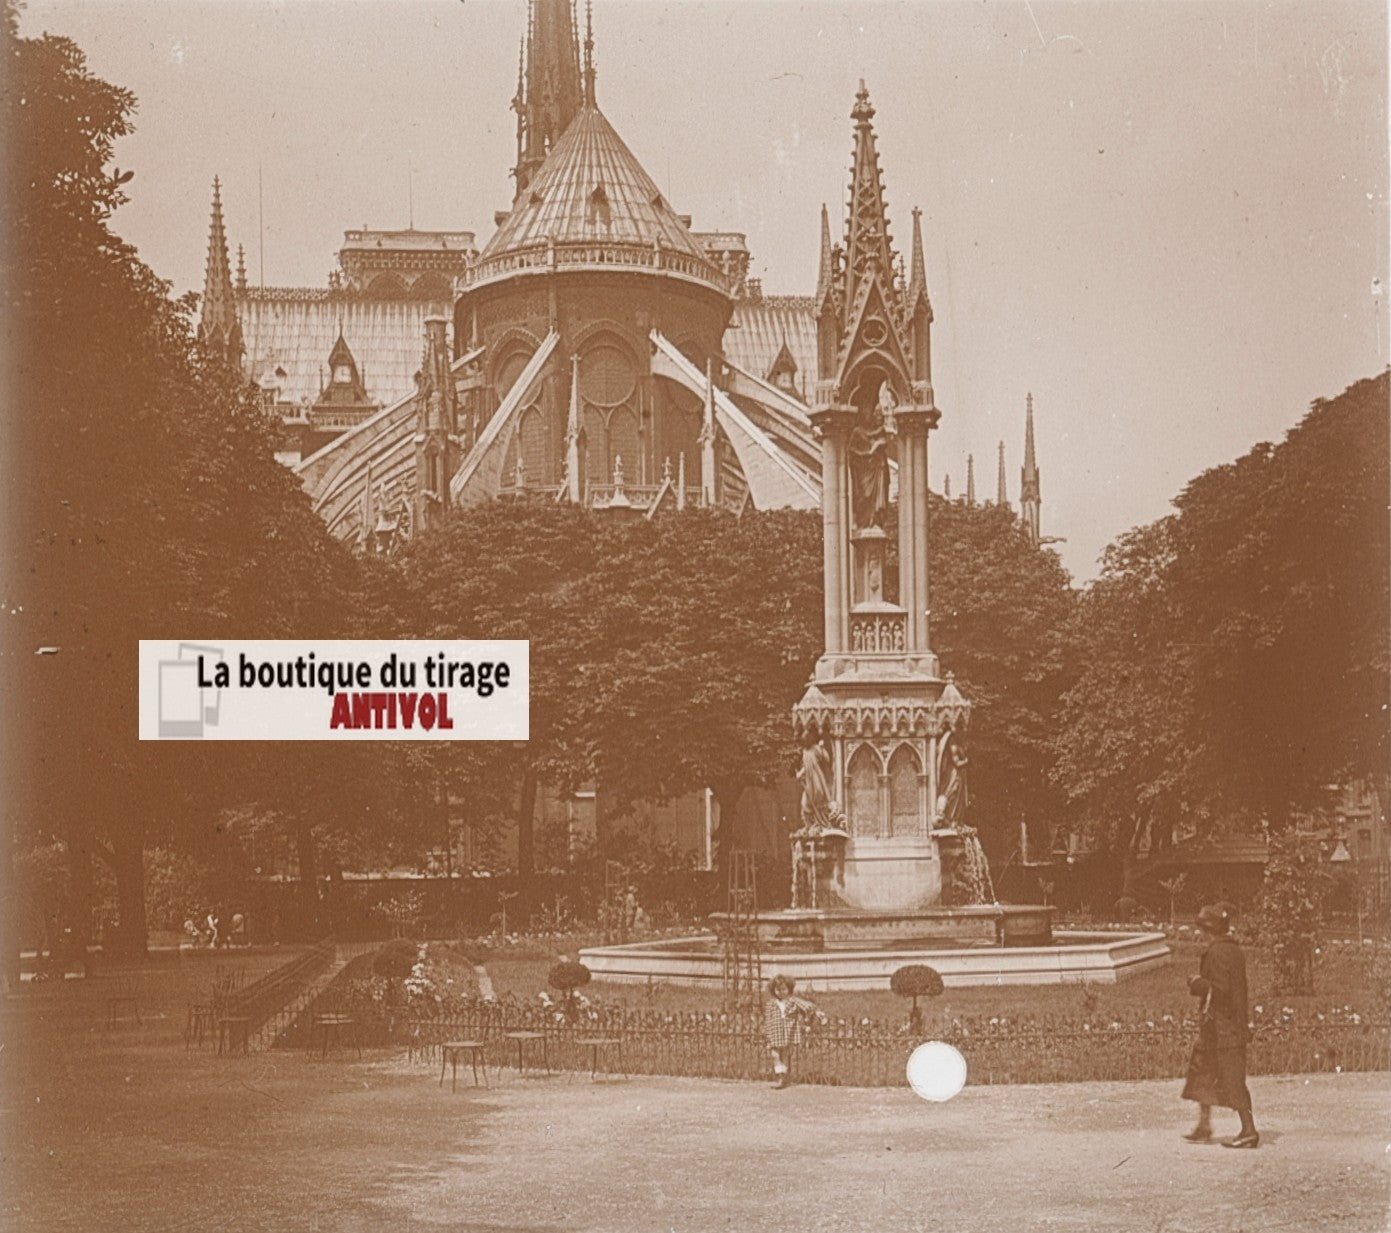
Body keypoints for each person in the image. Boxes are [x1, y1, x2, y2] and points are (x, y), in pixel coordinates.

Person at [1181, 903, 1259, 1149]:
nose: (1201, 935)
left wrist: (1196, 983)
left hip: (1221, 1027)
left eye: (1203, 930)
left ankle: (1248, 1130)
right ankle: (1204, 1126)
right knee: (1203, 1072)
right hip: (1226, 1026)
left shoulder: (1217, 953)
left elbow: (1220, 990)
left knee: (1231, 1079)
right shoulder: (1233, 950)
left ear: (1209, 930)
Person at [764, 975, 827, 1089]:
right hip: (775, 1033)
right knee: (775, 1055)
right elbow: (768, 1020)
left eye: (784, 989)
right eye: (778, 990)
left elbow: (807, 1006)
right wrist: (768, 1034)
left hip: (789, 1033)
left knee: (786, 1055)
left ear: (789, 989)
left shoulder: (793, 1001)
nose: (781, 992)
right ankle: (780, 1076)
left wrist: (817, 1012)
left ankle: (784, 1078)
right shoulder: (770, 1004)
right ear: (773, 990)